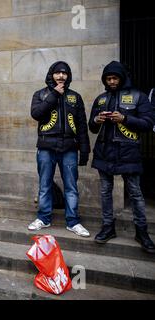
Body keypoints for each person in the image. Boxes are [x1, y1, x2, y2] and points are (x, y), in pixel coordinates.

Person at [89, 61, 155, 253]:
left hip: (128, 153)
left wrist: (125, 119)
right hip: (103, 153)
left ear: (122, 78)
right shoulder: (100, 99)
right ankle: (108, 227)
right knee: (105, 192)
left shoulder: (138, 97)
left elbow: (148, 123)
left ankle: (141, 231)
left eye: (114, 78)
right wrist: (96, 120)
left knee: (135, 193)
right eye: (108, 78)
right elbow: (91, 127)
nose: (111, 81)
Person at [29, 61, 91, 237]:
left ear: (68, 76)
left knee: (71, 186)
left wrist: (84, 150)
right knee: (44, 185)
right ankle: (43, 218)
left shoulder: (75, 97)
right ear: (51, 75)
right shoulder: (40, 94)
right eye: (57, 73)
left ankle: (73, 222)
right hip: (46, 146)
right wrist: (54, 95)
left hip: (69, 148)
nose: (61, 76)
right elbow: (36, 114)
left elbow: (81, 125)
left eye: (64, 73)